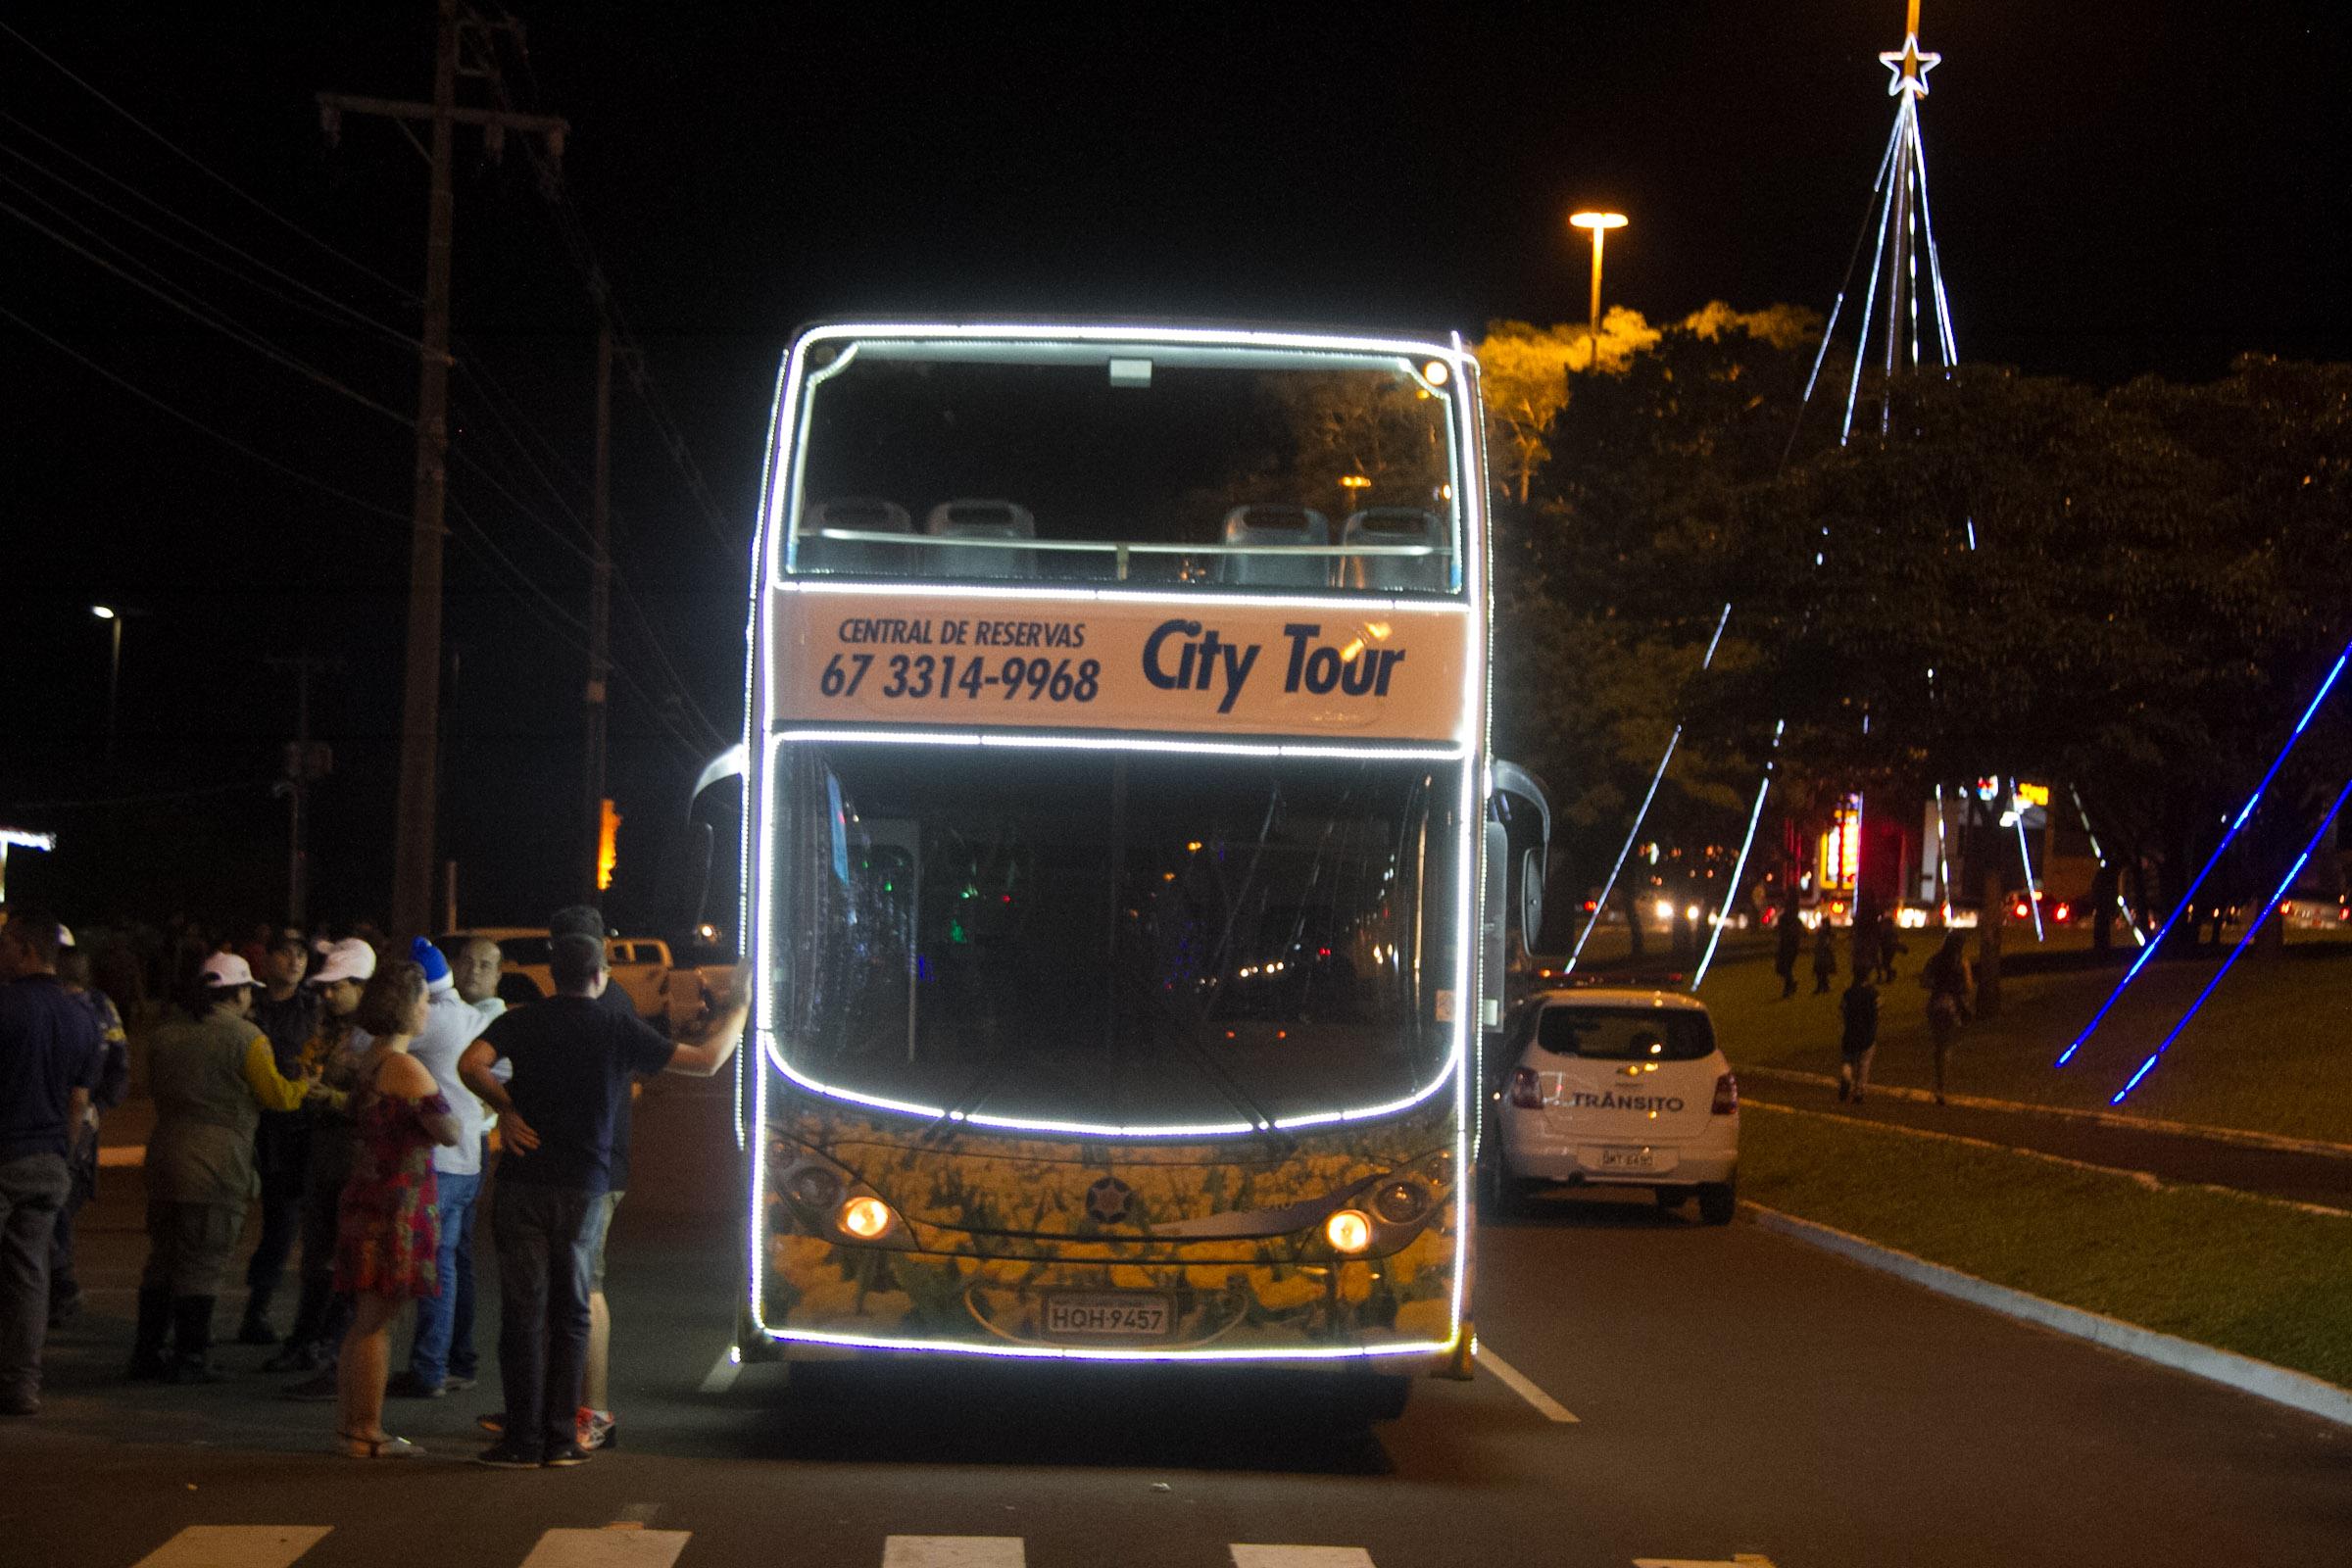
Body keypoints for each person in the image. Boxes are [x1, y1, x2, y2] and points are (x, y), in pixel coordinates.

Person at [461, 935, 748, 1468]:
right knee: (573, 1310)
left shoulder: (523, 1020)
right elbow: (706, 1061)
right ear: (600, 975)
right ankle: (564, 1436)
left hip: (525, 1182)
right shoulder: (616, 1027)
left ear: (554, 972)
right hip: (585, 1185)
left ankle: (521, 1438)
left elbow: (470, 1063)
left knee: (523, 1313)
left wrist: (507, 1107)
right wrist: (739, 1006)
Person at [133, 953, 315, 1383]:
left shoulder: (165, 1035)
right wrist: (306, 1083)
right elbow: (277, 1096)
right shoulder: (245, 1038)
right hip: (215, 1161)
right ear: (238, 993)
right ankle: (191, 1356)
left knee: (162, 1258)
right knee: (203, 1262)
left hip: (165, 1155)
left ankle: (147, 1352)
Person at [331, 960, 460, 1458]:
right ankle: (364, 1429)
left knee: (366, 1320)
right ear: (406, 1006)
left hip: (371, 1196)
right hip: (396, 1205)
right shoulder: (405, 1067)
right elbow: (447, 1129)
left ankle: (354, 1426)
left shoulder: (371, 1060)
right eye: (424, 1000)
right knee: (374, 1323)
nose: (428, 1008)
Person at [0, 908, 102, 1415]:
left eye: (5, 945)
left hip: (5, 1151)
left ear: (25, 949)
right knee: (28, 1274)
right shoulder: (81, 1016)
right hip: (48, 1159)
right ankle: (22, 1382)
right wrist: (63, 1151)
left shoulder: (5, 1005)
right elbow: (79, 1101)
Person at [386, 940, 492, 1399]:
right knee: (445, 1264)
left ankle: (411, 1362)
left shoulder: (433, 1021)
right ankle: (433, 1365)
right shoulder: (473, 1018)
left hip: (437, 1163)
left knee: (411, 1263)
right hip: (469, 1158)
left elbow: (369, 1044)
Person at [268, 938, 374, 1388]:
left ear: (362, 985)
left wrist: (327, 1096)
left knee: (345, 1259)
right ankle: (306, 1341)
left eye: (337, 987)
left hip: (353, 1157)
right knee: (315, 1255)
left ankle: (334, 1354)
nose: (327, 995)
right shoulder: (328, 1029)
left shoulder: (374, 1038)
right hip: (324, 1154)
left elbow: (379, 1103)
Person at [240, 930, 318, 1345]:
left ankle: (269, 1313)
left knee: (292, 1223)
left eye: (301, 955)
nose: (294, 962)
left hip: (299, 1125)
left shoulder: (313, 1008)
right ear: (267, 960)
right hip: (257, 1123)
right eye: (286, 954)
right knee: (269, 1223)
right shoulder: (249, 1006)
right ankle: (255, 1310)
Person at [49, 938, 129, 1330]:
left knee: (57, 1204)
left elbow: (116, 1067)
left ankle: (61, 1285)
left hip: (65, 1120)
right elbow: (120, 1064)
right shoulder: (98, 1007)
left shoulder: (74, 1007)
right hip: (78, 1119)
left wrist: (97, 1105)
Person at [1923, 932, 1975, 1105]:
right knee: (1946, 1047)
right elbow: (1968, 987)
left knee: (1938, 1046)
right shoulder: (1962, 963)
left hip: (1935, 1004)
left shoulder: (1935, 960)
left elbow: (1924, 981)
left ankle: (1939, 1084)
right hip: (1952, 1006)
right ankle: (1941, 1087)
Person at [1838, 971, 1880, 1103]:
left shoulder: (1848, 993)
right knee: (1864, 1062)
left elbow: (1842, 1010)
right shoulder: (1873, 993)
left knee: (1848, 1059)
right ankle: (1859, 1091)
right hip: (1866, 1034)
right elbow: (1878, 1012)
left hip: (1850, 1033)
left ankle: (1846, 1075)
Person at [1772, 900, 1803, 1000]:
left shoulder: (1788, 919)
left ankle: (1789, 987)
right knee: (1784, 968)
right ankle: (1791, 984)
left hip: (1789, 946)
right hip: (1788, 946)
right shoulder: (1791, 919)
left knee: (1785, 967)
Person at [1811, 918, 1837, 996]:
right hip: (1820, 953)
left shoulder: (1828, 933)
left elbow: (1828, 942)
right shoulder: (1821, 931)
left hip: (1825, 954)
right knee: (1819, 971)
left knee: (1823, 971)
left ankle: (1824, 986)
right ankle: (1821, 986)